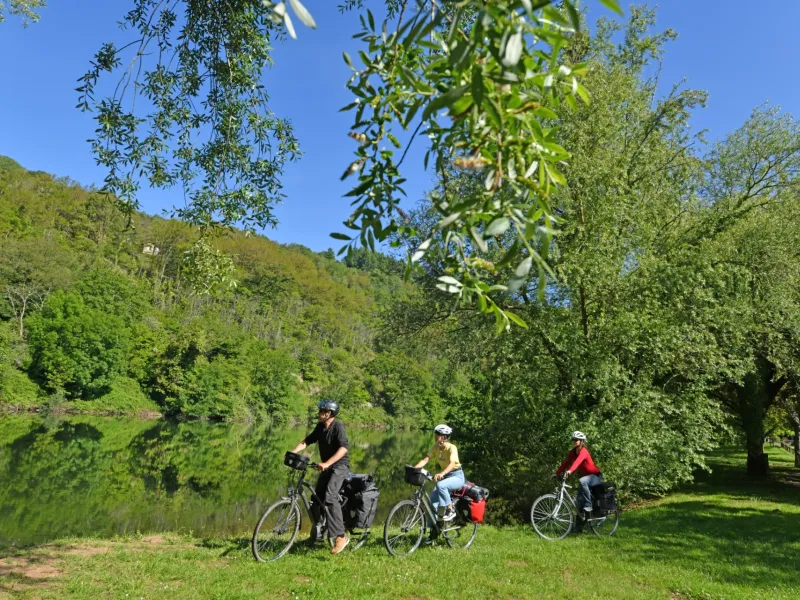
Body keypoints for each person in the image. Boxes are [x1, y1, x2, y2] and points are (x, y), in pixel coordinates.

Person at [290, 400, 351, 555]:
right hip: (326, 467)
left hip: (339, 466)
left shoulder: (338, 426)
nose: (319, 413)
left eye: (321, 411)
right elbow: (307, 441)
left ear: (329, 413)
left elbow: (343, 448)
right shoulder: (320, 427)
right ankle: (317, 534)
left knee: (330, 496)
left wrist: (327, 463)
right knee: (316, 499)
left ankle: (341, 536)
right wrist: (293, 452)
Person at [414, 424, 464, 523]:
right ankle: (433, 529)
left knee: (441, 485)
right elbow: (425, 460)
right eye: (436, 433)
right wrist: (414, 469)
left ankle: (450, 510)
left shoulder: (452, 447)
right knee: (432, 503)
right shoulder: (435, 447)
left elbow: (452, 463)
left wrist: (442, 474)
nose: (435, 435)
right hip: (446, 477)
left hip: (457, 476)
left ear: (444, 437)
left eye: (438, 434)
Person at [554, 431, 602, 530]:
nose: (574, 441)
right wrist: (557, 473)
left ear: (582, 441)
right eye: (573, 440)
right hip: (586, 479)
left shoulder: (584, 451)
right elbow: (565, 463)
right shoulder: (573, 452)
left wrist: (570, 471)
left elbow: (577, 462)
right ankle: (579, 526)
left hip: (595, 477)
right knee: (579, 502)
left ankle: (588, 506)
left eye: (576, 440)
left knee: (582, 481)